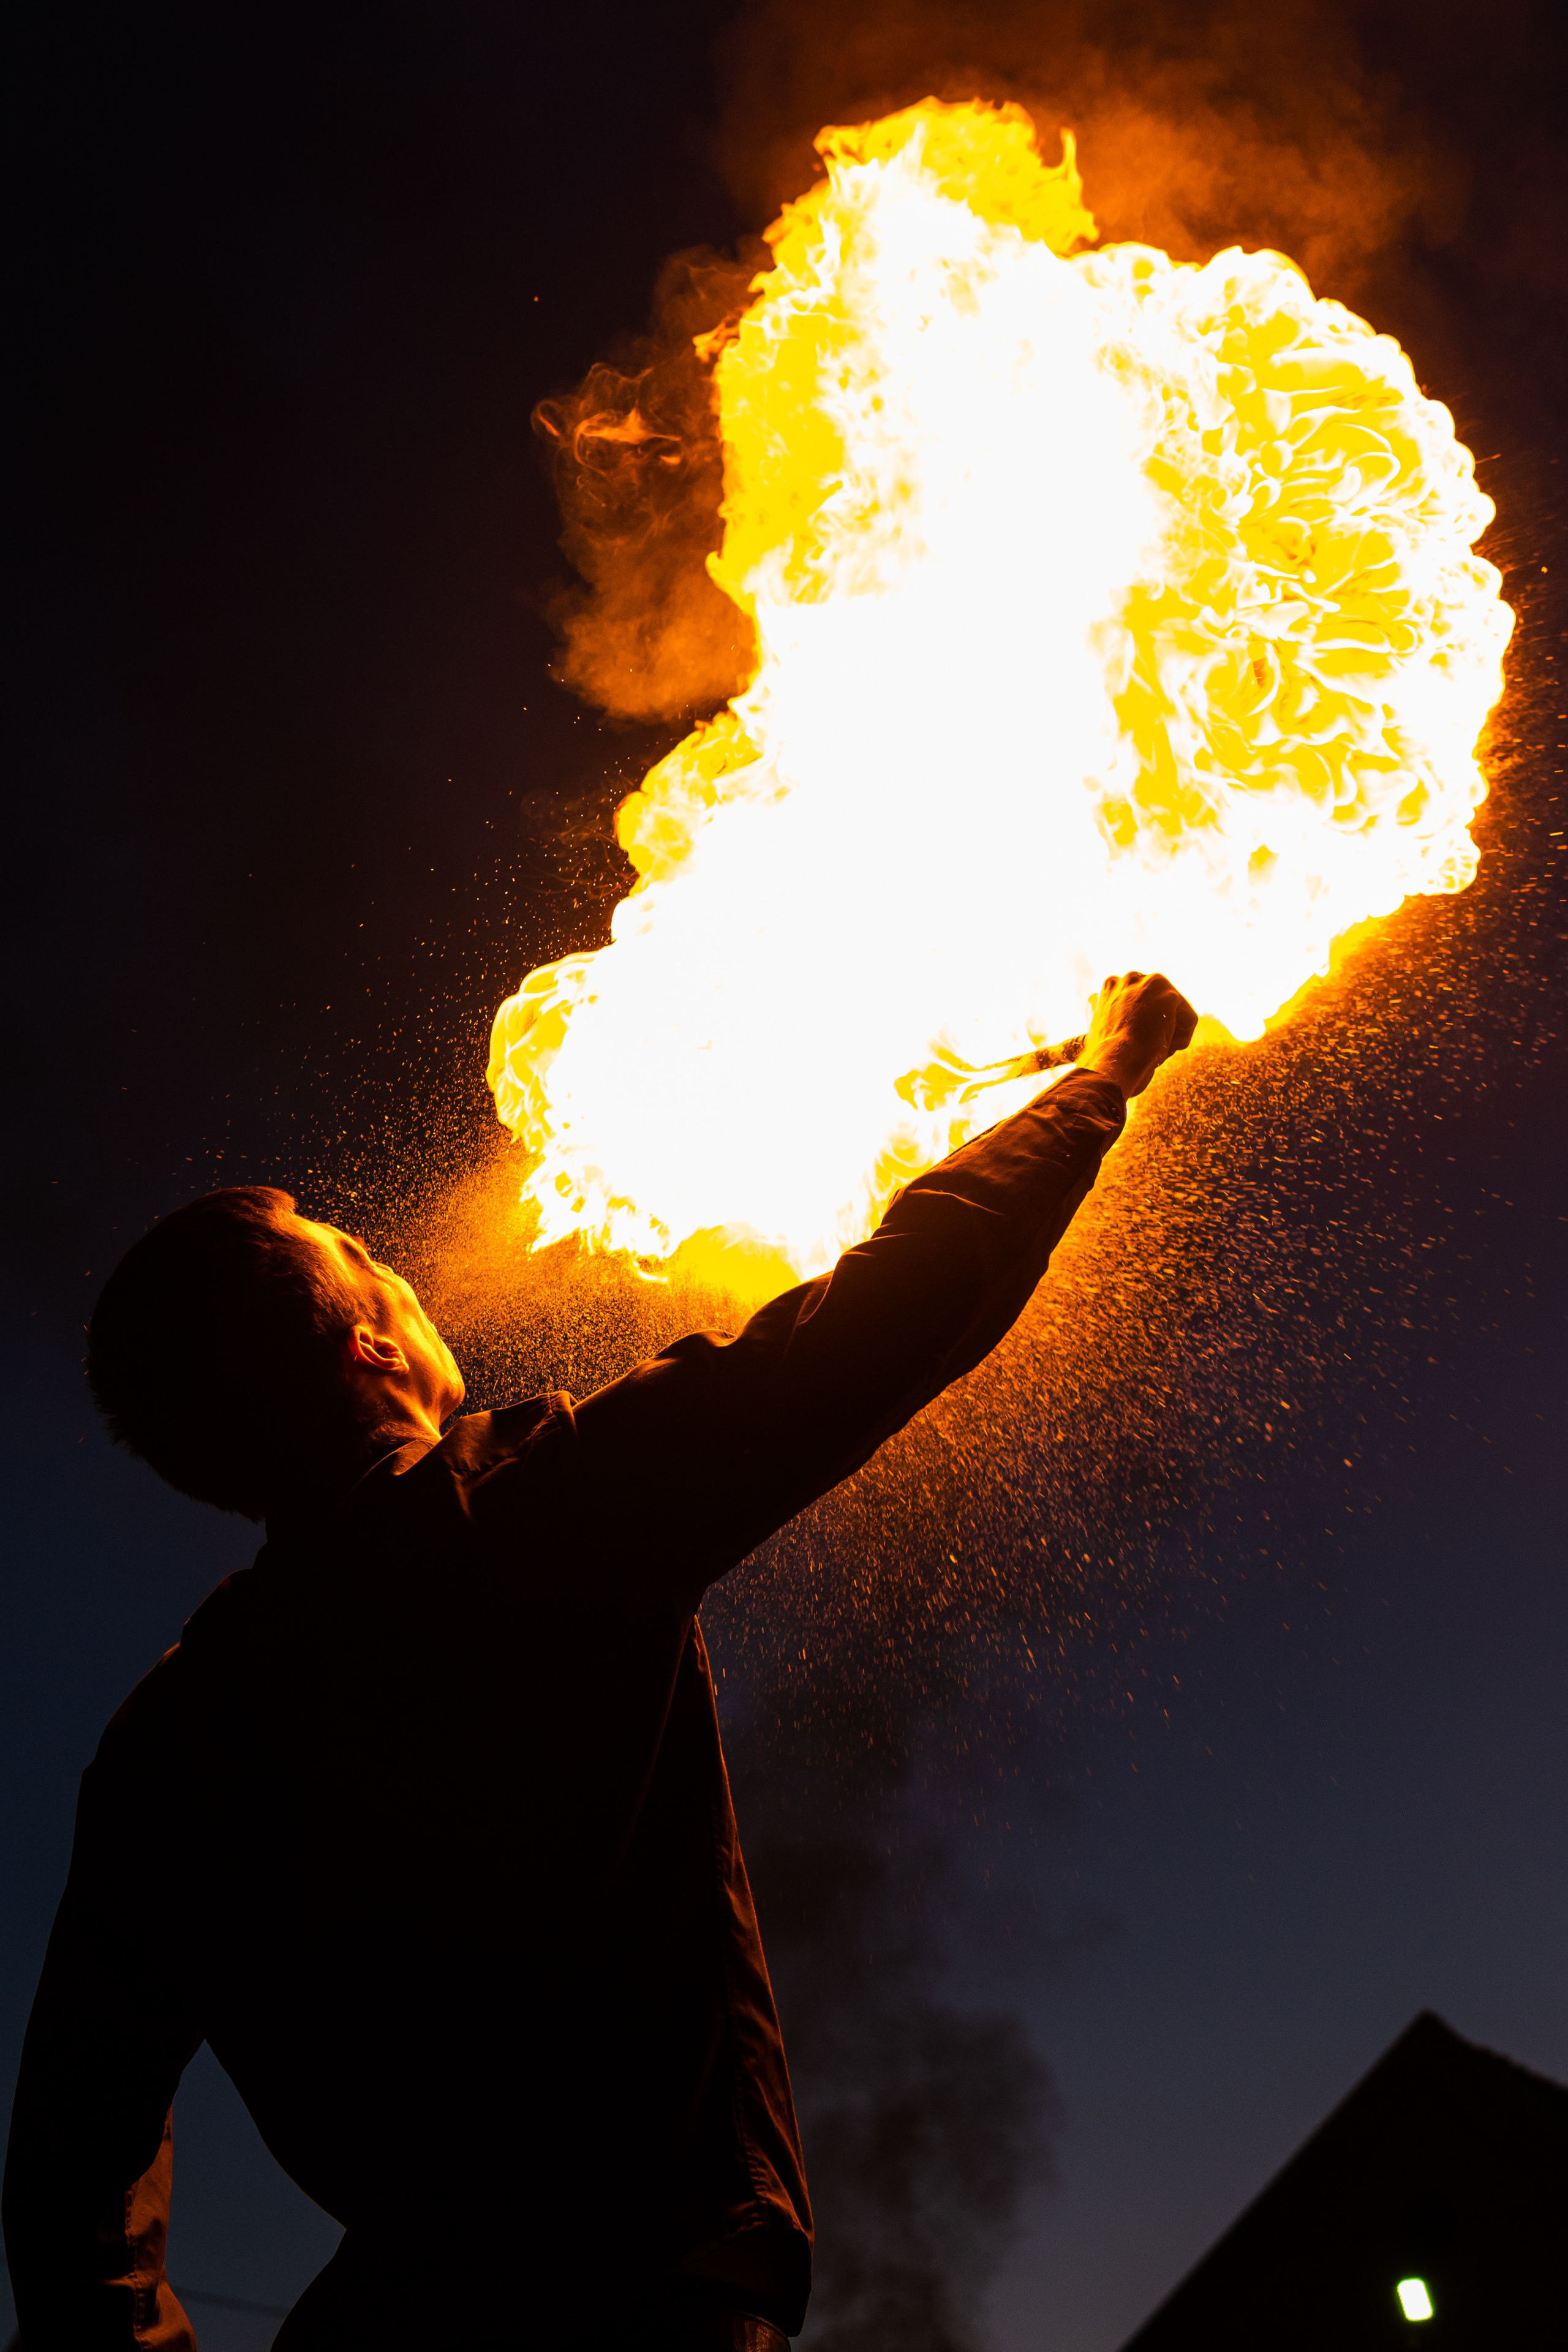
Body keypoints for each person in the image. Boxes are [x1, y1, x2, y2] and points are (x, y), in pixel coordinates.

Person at [2, 970, 1196, 2351]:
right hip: (642, 2303)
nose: (391, 1259)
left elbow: (69, 2174)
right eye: (358, 1252)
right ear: (369, 1339)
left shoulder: (170, 1739)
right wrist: (1095, 1087)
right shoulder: (522, 1517)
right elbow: (877, 1321)